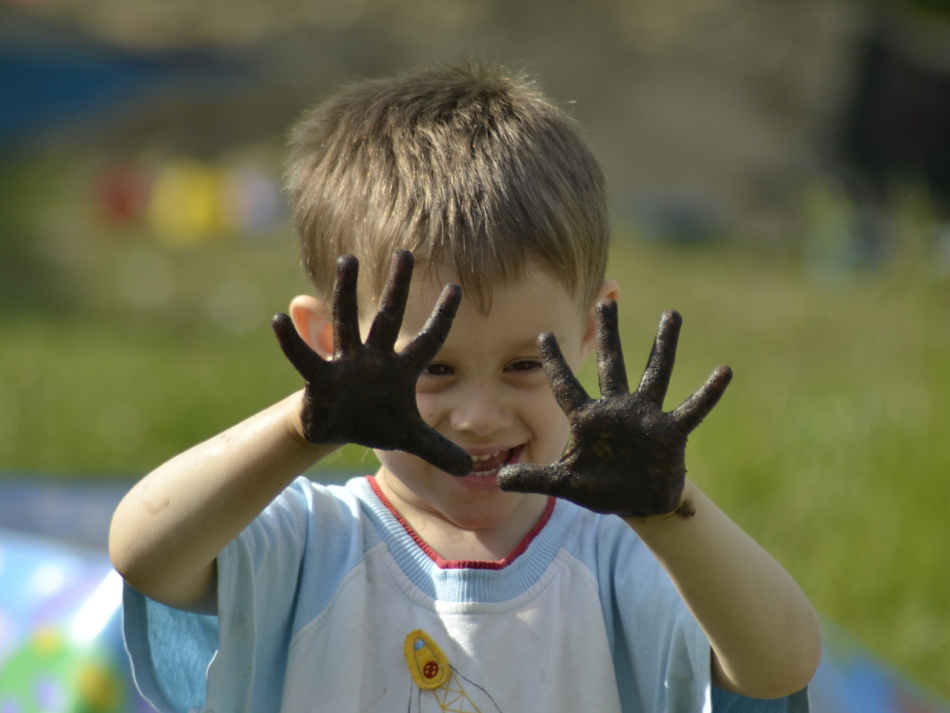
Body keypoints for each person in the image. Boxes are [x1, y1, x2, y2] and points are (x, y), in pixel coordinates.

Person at [109, 61, 821, 712]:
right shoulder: (308, 546)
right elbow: (144, 549)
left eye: (524, 364)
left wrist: (671, 511)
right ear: (333, 345)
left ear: (588, 333)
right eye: (432, 368)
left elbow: (782, 664)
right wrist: (306, 421)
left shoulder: (617, 558)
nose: (479, 417)